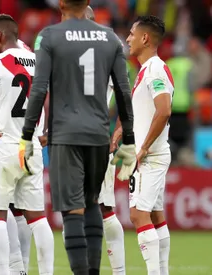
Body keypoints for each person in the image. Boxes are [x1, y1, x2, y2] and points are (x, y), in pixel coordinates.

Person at [19, 0, 137, 274]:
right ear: (87, 3)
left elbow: (38, 89)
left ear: (61, 4)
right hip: (97, 133)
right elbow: (123, 91)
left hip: (65, 133)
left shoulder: (49, 36)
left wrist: (27, 135)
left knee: (72, 209)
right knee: (92, 201)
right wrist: (129, 139)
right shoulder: (111, 38)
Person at [0, 14, 54, 275]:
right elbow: (48, 97)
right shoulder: (38, 61)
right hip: (31, 146)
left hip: (4, 144)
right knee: (37, 217)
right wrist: (45, 129)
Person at [122, 15, 172, 275]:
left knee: (138, 215)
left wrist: (142, 148)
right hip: (152, 154)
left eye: (132, 33)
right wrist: (122, 131)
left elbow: (164, 111)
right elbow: (145, 111)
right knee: (154, 216)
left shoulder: (154, 68)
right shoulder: (146, 70)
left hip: (149, 157)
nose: (128, 39)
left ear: (145, 38)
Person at [86, 6, 126, 274]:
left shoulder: (108, 47)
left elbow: (125, 96)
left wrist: (120, 131)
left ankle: (117, 271)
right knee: (92, 207)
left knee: (103, 207)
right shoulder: (111, 48)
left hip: (93, 136)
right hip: (86, 135)